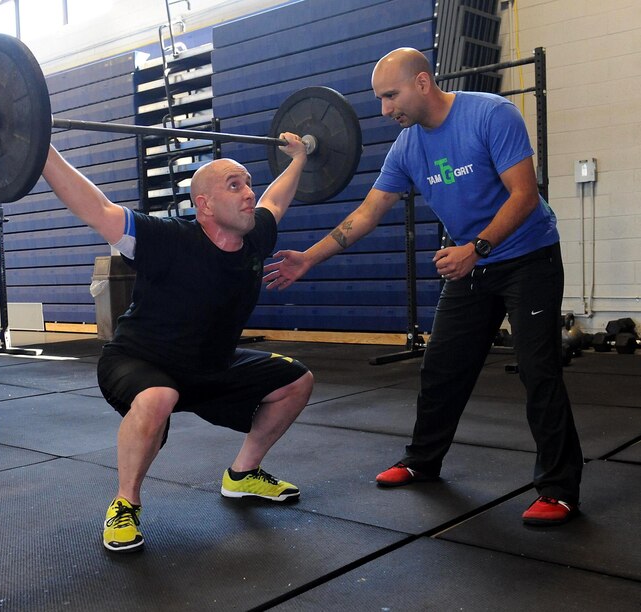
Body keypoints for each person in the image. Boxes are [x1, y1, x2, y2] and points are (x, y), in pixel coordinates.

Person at [265, 48, 583, 526]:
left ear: (422, 82)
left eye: (390, 96)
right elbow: (367, 214)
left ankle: (559, 490)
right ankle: (422, 461)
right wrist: (308, 259)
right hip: (470, 263)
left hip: (527, 258)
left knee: (539, 371)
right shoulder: (407, 147)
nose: (384, 109)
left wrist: (475, 247)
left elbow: (525, 195)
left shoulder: (492, 114)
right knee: (440, 369)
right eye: (378, 99)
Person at [41, 133, 314, 552]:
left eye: (248, 183)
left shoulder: (256, 235)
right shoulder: (167, 238)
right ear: (203, 204)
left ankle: (243, 475)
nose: (249, 194)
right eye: (234, 185)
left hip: (209, 366)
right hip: (138, 360)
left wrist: (299, 158)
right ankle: (125, 503)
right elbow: (96, 208)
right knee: (157, 397)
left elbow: (275, 200)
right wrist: (40, 147)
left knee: (297, 381)